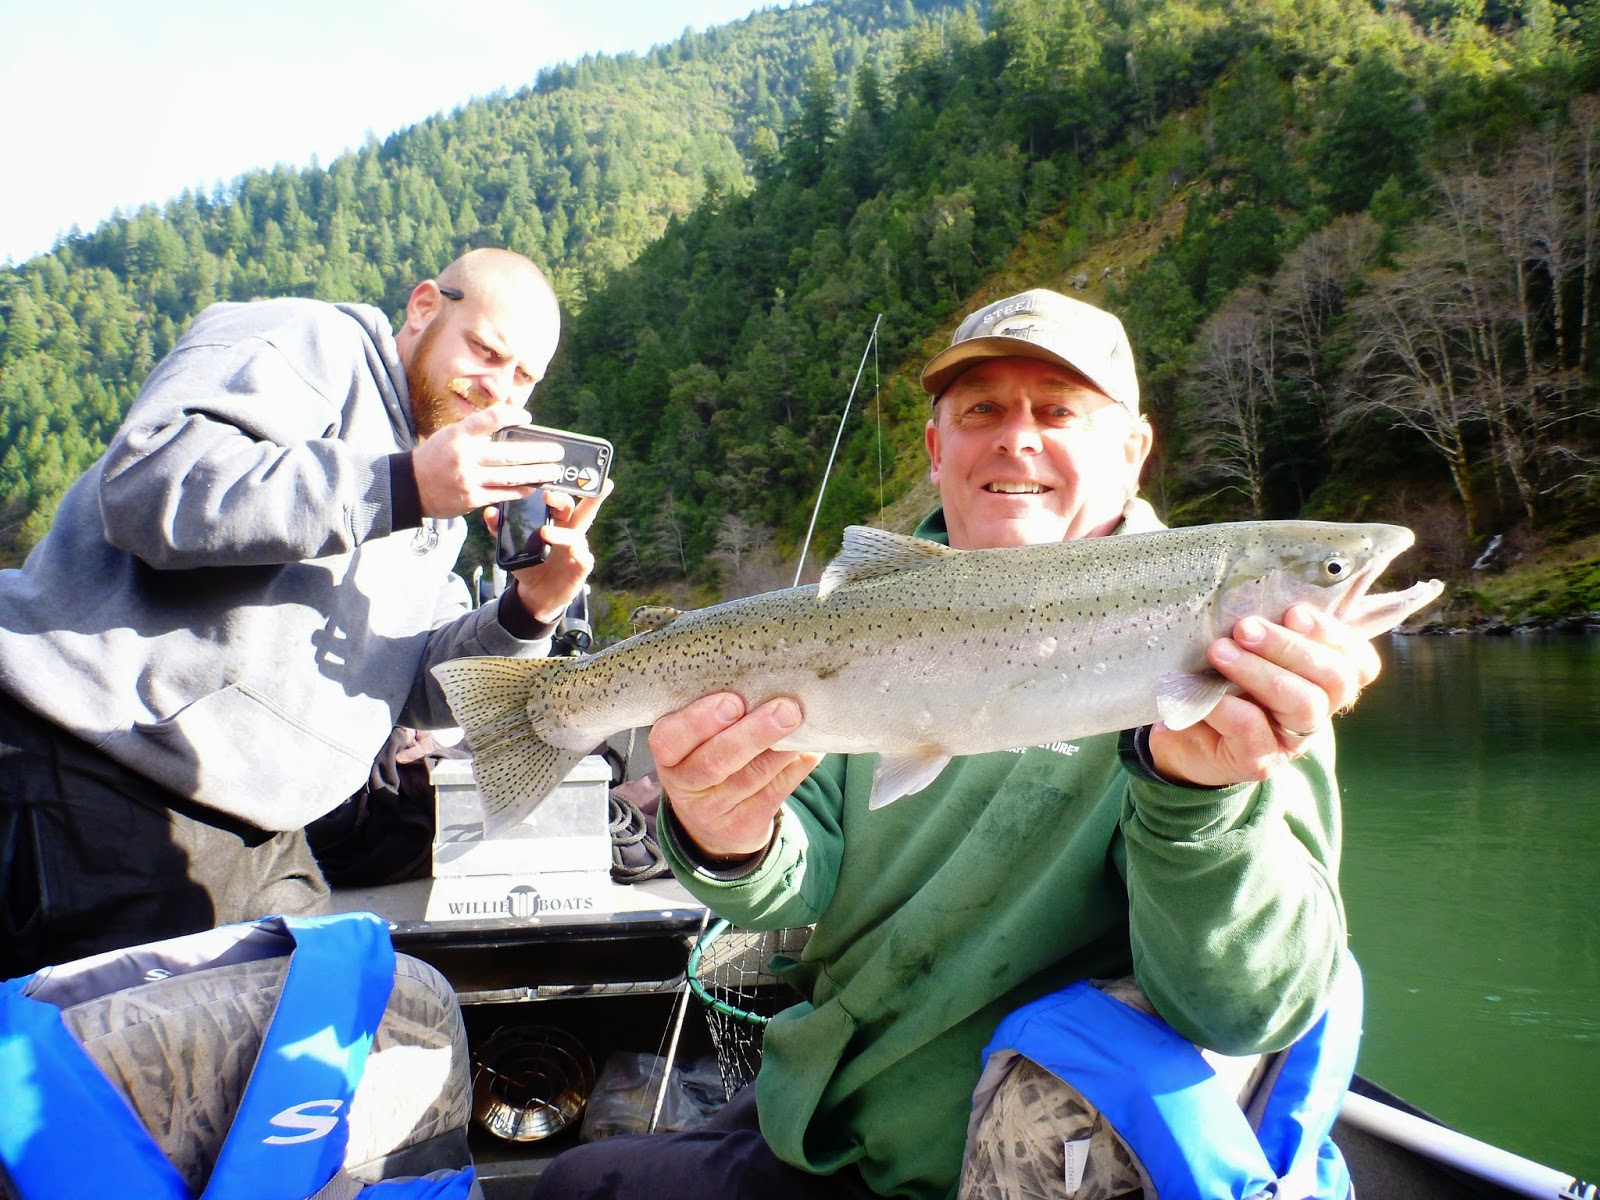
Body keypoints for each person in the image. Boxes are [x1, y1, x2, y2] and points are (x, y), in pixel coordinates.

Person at [530, 289, 1382, 1200]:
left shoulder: (1251, 693)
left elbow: (1252, 1009)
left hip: (1017, 1169)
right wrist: (717, 827)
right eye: (983, 411)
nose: (1017, 437)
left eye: (1058, 411)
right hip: (824, 1121)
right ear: (937, 450)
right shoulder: (848, 618)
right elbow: (793, 878)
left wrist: (1200, 801)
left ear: (1133, 452)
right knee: (574, 1187)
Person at [0, 247, 609, 978]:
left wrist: (530, 608)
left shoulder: (442, 492)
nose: (497, 391)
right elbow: (148, 482)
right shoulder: (307, 341)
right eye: (485, 351)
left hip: (264, 835)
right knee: (85, 1083)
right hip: (94, 773)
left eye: (522, 378)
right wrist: (404, 485)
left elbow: (420, 692)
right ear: (423, 308)